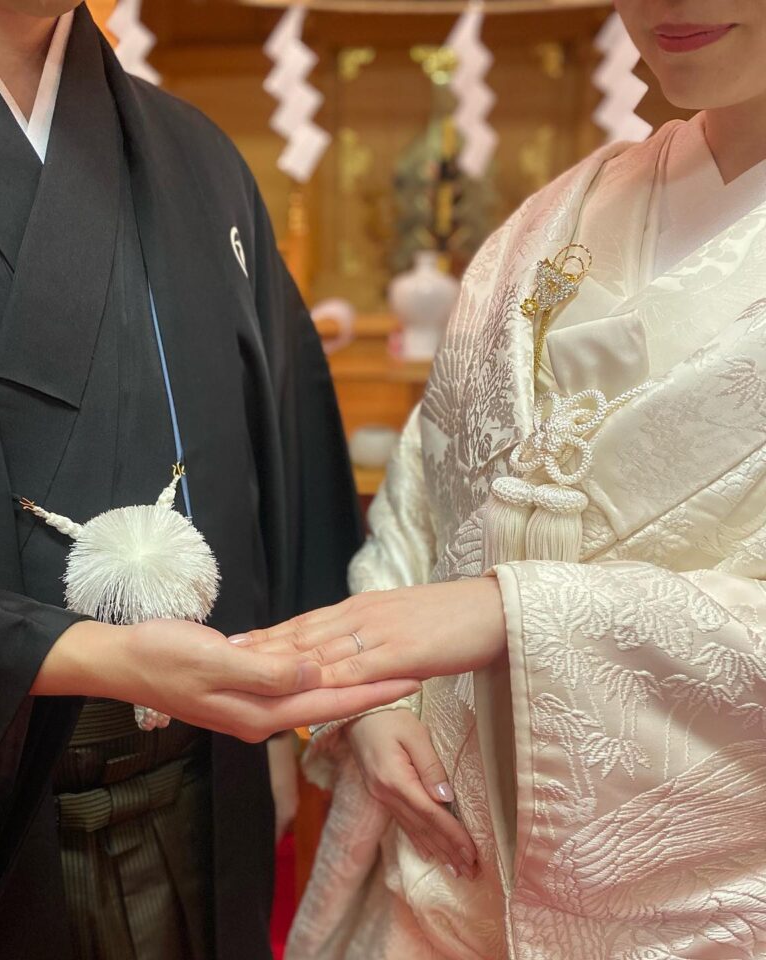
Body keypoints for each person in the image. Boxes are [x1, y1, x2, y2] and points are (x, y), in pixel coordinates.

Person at [0, 2, 420, 958]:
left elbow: (290, 466)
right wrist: (65, 656)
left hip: (199, 807)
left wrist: (346, 698)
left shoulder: (195, 160)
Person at [240, 2, 766, 957]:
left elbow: (472, 595)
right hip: (447, 872)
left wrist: (511, 612)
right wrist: (378, 702)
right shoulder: (558, 215)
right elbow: (426, 495)